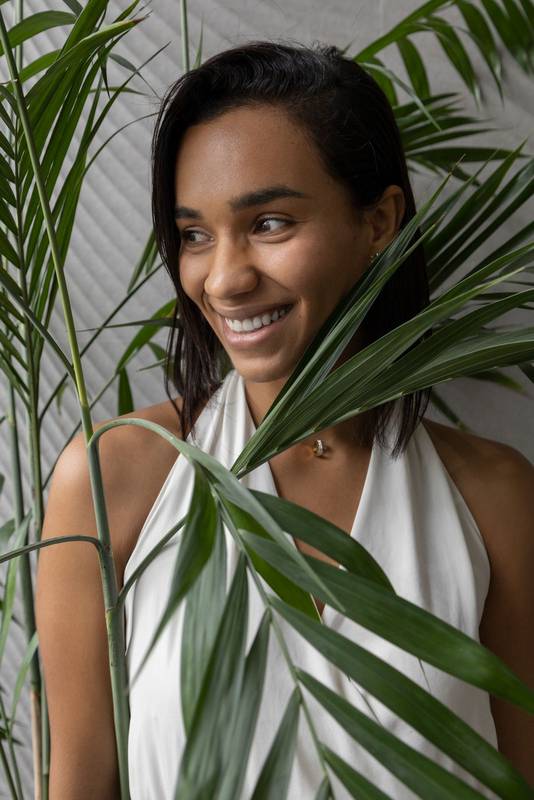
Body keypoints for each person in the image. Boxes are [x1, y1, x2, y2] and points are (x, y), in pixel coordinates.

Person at [35, 40, 534, 799]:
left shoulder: (497, 498)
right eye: (195, 234)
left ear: (379, 222)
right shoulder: (115, 480)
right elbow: (77, 786)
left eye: (268, 223)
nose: (225, 278)